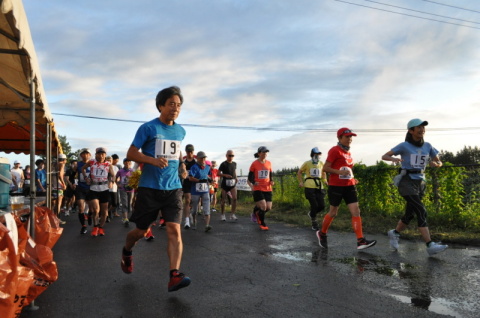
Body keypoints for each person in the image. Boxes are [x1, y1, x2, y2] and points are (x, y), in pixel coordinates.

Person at [120, 86, 191, 292]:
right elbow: (131, 153)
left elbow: (176, 152)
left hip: (173, 188)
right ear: (160, 105)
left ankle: (174, 275)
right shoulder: (148, 128)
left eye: (178, 105)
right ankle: (127, 250)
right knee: (141, 232)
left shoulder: (180, 131)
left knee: (174, 230)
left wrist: (182, 165)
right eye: (171, 104)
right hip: (150, 188)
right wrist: (151, 160)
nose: (175, 109)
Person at [382, 119, 448, 256]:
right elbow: (385, 156)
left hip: (420, 182)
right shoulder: (404, 146)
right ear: (411, 131)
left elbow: (438, 161)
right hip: (407, 181)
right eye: (418, 127)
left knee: (410, 213)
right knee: (421, 210)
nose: (422, 129)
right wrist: (393, 159)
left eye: (423, 127)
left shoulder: (428, 146)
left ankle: (394, 233)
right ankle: (430, 245)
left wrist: (437, 164)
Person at [316, 128, 376, 250]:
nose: (350, 139)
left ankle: (360, 241)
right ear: (339, 138)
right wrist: (338, 172)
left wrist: (353, 178)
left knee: (356, 211)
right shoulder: (334, 150)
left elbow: (347, 170)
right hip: (336, 186)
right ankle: (322, 234)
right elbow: (326, 169)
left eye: (351, 137)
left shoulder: (348, 153)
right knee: (333, 212)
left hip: (349, 186)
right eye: (347, 137)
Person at [82, 147, 115, 237]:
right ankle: (95, 226)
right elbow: (83, 169)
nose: (101, 156)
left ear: (105, 155)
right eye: (99, 154)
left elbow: (113, 175)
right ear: (96, 154)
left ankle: (101, 227)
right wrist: (86, 178)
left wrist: (111, 182)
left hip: (104, 189)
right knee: (96, 210)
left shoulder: (108, 164)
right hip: (94, 188)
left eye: (103, 154)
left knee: (105, 212)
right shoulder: (92, 162)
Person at [297, 147, 327, 231]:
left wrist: (325, 180)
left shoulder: (321, 163)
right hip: (309, 186)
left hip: (319, 186)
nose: (317, 156)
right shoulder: (307, 163)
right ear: (312, 155)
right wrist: (301, 181)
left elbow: (324, 172)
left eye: (318, 154)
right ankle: (314, 223)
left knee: (321, 205)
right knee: (314, 205)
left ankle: (311, 214)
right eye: (315, 154)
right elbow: (299, 172)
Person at [247, 146, 274, 231]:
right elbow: (250, 177)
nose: (265, 154)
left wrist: (272, 181)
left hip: (268, 188)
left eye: (266, 152)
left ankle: (256, 212)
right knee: (263, 206)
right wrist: (254, 182)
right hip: (258, 188)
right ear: (259, 153)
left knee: (268, 207)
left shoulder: (269, 163)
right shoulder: (254, 164)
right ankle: (262, 223)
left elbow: (270, 174)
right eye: (263, 152)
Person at [189, 151, 213, 232]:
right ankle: (194, 222)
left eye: (204, 157)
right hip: (195, 191)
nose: (203, 159)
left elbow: (208, 175)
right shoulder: (194, 167)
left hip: (205, 190)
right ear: (197, 158)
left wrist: (210, 179)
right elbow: (190, 178)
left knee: (207, 206)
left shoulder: (207, 167)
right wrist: (199, 180)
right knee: (195, 209)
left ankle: (207, 225)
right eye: (201, 157)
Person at [218, 150, 238, 221]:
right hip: (225, 184)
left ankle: (232, 214)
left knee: (235, 198)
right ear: (226, 156)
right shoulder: (223, 164)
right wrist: (225, 175)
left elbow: (234, 171)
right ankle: (223, 215)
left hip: (232, 183)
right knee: (223, 200)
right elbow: (218, 173)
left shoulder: (234, 163)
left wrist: (236, 177)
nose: (231, 157)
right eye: (229, 155)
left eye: (232, 155)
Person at [76, 148, 91, 234]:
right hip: (80, 188)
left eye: (87, 153)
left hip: (90, 188)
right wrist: (73, 183)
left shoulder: (93, 164)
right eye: (83, 154)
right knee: (81, 208)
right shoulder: (77, 164)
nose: (85, 155)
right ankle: (83, 226)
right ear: (81, 155)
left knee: (92, 208)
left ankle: (89, 215)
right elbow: (72, 175)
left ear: (90, 155)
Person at [116, 158, 134, 227]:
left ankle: (126, 216)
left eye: (129, 162)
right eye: (126, 162)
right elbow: (116, 178)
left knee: (129, 204)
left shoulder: (133, 171)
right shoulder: (120, 171)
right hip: (123, 189)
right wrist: (118, 184)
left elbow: (136, 179)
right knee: (124, 203)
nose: (127, 164)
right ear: (124, 163)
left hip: (131, 189)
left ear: (131, 164)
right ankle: (125, 218)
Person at [182, 144, 196, 229]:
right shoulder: (183, 161)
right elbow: (180, 171)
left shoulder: (196, 161)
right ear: (186, 152)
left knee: (193, 201)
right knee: (187, 200)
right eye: (188, 151)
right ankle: (186, 221)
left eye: (191, 151)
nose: (190, 153)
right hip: (186, 183)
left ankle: (190, 213)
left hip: (194, 183)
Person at [52, 153, 67, 224]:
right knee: (58, 203)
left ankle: (52, 218)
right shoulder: (62, 165)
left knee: (53, 204)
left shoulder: (53, 165)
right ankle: (57, 219)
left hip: (53, 185)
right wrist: (64, 184)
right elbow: (60, 175)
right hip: (59, 185)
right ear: (64, 160)